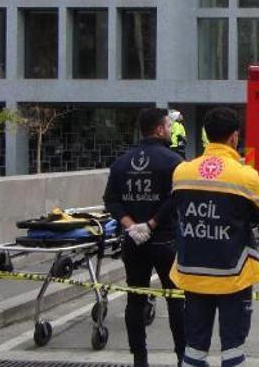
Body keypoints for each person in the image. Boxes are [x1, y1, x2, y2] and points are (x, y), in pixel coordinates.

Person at [168, 107, 259, 367]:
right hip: (233, 274)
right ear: (235, 137)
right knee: (233, 349)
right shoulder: (246, 176)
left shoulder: (182, 172)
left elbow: (178, 210)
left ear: (206, 134)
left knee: (194, 348)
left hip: (192, 271)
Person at [103, 108, 185, 367]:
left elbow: (111, 199)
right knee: (176, 300)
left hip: (134, 243)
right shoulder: (174, 162)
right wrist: (151, 224)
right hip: (165, 242)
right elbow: (177, 198)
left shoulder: (121, 162)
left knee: (135, 300)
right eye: (169, 127)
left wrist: (131, 226)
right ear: (160, 130)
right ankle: (182, 357)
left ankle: (140, 358)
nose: (171, 131)